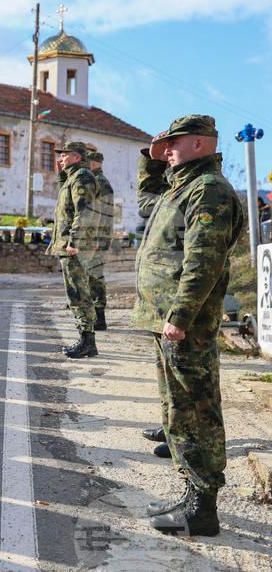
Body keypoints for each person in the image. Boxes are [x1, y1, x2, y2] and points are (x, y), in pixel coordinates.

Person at [133, 115, 243, 537]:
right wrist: (152, 158)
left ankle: (203, 509)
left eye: (174, 143)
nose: (168, 150)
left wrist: (179, 316)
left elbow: (203, 261)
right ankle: (191, 494)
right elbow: (147, 201)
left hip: (186, 322)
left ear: (200, 144)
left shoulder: (209, 191)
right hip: (166, 319)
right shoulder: (181, 188)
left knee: (196, 411)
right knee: (178, 409)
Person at [47, 141, 100, 359]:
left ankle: (87, 342)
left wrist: (75, 240)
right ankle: (86, 340)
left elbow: (83, 211)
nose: (60, 159)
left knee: (79, 292)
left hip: (74, 246)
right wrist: (62, 175)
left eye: (64, 155)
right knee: (74, 292)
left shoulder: (82, 177)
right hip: (69, 245)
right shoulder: (71, 177)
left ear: (77, 157)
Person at [87, 151, 114, 331]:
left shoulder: (101, 183)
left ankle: (99, 317)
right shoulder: (95, 181)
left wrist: (96, 236)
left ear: (93, 164)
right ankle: (93, 313)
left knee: (94, 275)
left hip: (98, 237)